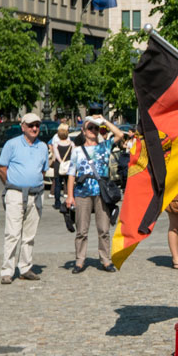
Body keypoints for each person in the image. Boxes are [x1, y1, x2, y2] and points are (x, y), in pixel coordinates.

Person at [66, 115, 125, 274]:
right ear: (83, 131)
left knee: (104, 229)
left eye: (96, 128)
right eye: (90, 128)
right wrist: (70, 196)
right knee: (82, 230)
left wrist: (104, 121)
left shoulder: (104, 146)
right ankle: (79, 261)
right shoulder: (77, 150)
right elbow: (71, 174)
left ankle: (106, 260)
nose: (93, 130)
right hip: (82, 192)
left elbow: (120, 135)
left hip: (102, 193)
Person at [0, 112, 49, 284]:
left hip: (35, 194)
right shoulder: (11, 144)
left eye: (37, 125)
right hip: (15, 193)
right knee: (12, 234)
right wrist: (11, 185)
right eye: (31, 125)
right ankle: (7, 270)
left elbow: (42, 170)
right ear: (23, 127)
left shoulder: (42, 147)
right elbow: (2, 168)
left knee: (29, 235)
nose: (35, 128)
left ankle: (25, 267)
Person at [50, 123, 73, 210]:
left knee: (57, 184)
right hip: (68, 165)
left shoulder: (56, 144)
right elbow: (73, 155)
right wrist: (67, 162)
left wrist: (61, 162)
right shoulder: (71, 144)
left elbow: (56, 154)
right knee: (69, 183)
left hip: (58, 165)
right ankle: (70, 200)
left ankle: (57, 202)